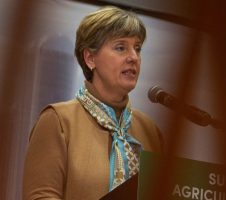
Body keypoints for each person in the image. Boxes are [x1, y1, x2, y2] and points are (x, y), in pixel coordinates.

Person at [23, 6, 162, 200]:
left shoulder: (150, 131)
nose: (133, 57)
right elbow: (41, 196)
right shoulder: (58, 120)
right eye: (121, 47)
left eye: (137, 48)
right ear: (90, 58)